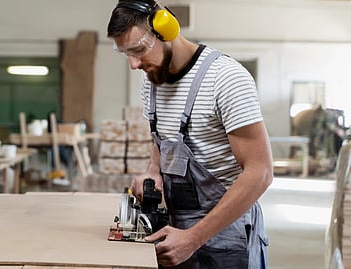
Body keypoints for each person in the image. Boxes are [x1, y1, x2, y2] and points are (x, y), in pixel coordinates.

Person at [107, 0, 274, 268]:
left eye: (139, 50)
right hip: (175, 233)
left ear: (167, 31)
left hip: (227, 239)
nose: (133, 64)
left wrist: (194, 238)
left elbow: (260, 173)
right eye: (125, 53)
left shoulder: (225, 78)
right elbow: (164, 139)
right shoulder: (151, 81)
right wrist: (153, 170)